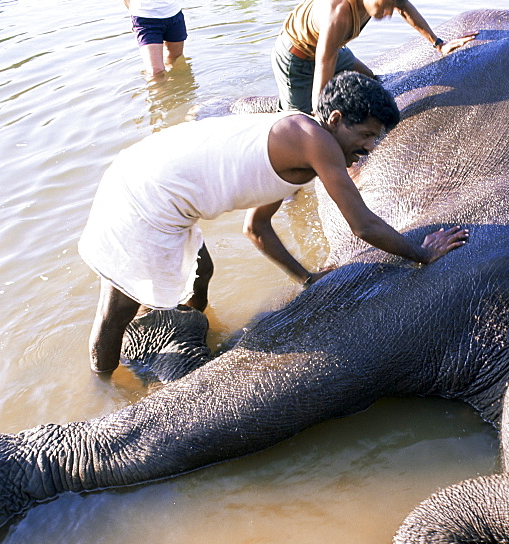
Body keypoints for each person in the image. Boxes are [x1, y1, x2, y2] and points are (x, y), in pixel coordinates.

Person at [79, 71, 468, 373]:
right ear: (334, 119)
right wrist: (420, 252)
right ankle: (104, 386)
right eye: (365, 135)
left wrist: (307, 278)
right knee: (116, 307)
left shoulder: (299, 143)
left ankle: (172, 333)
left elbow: (256, 229)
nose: (368, 148)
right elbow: (362, 225)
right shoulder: (315, 142)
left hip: (153, 175)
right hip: (145, 194)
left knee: (201, 270)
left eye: (375, 140)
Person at [273, 0, 477, 113]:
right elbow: (324, 61)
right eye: (385, 4)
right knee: (302, 121)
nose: (389, 12)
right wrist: (320, 110)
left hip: (332, 46)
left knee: (369, 78)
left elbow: (403, 8)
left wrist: (439, 44)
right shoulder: (338, 12)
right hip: (296, 56)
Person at [124, 0, 187, 78]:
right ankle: (160, 88)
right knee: (156, 72)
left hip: (173, 13)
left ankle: (177, 87)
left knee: (175, 58)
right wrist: (132, 14)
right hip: (144, 18)